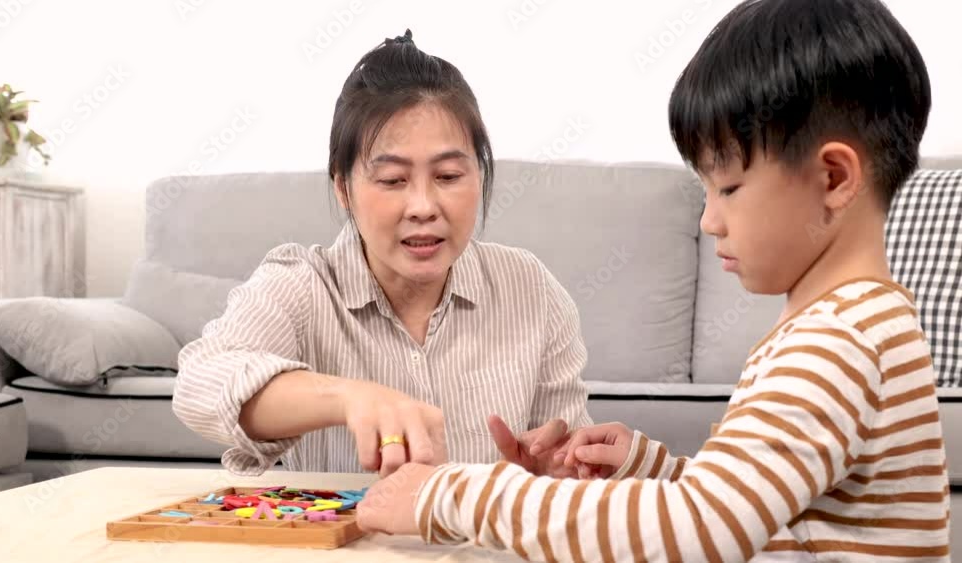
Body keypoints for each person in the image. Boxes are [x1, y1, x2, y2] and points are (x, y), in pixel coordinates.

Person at [357, 1, 951, 560]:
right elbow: (764, 511)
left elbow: (700, 531)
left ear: (833, 178)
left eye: (729, 187)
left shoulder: (835, 341)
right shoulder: (857, 323)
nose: (709, 220)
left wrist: (452, 495)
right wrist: (655, 471)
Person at [171, 30, 591, 478]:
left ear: (480, 174)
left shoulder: (529, 287)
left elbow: (571, 460)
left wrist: (558, 472)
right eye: (393, 180)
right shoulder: (302, 285)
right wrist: (348, 397)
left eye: (449, 176)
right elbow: (201, 383)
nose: (423, 207)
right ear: (343, 187)